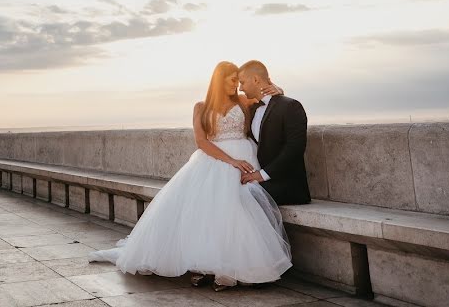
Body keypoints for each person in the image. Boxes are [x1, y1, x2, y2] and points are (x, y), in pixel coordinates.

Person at [88, 61, 292, 290]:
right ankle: (207, 265)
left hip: (246, 159)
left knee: (237, 208)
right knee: (206, 209)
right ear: (218, 80)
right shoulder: (201, 107)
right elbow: (202, 141)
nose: (237, 85)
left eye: (239, 80)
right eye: (232, 80)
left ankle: (232, 267)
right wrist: (231, 161)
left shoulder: (243, 102)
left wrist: (278, 89)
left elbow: (267, 96)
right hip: (215, 160)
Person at [238, 60, 311, 205]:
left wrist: (262, 175)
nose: (240, 88)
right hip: (261, 181)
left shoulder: (290, 106)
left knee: (239, 197)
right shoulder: (252, 109)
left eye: (242, 82)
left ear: (255, 79)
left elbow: (294, 148)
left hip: (288, 186)